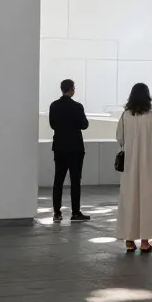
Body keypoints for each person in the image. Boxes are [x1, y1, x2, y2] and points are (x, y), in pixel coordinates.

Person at [116, 83, 152, 253]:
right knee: (147, 201)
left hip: (129, 166)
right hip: (149, 166)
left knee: (130, 200)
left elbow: (119, 138)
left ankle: (129, 241)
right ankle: (145, 242)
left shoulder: (125, 116)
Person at [49, 79, 90, 222]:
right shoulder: (77, 107)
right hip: (75, 148)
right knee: (75, 180)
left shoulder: (54, 106)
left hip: (59, 147)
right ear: (72, 89)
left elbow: (52, 125)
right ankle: (75, 212)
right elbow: (84, 125)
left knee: (58, 180)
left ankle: (57, 213)